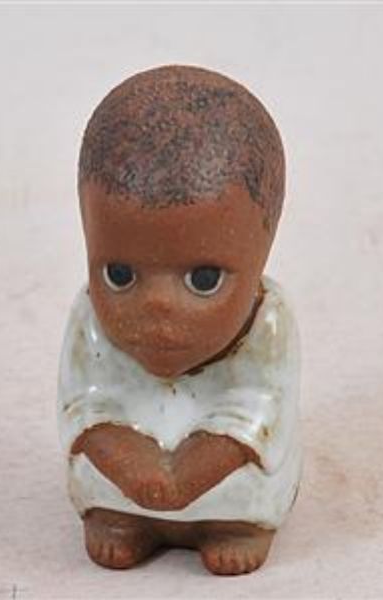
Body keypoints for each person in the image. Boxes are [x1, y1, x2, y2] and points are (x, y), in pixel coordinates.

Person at [57, 65, 301, 576]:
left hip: (220, 474)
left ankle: (236, 525)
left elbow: (260, 407)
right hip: (125, 481)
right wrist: (129, 463)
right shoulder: (89, 318)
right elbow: (84, 403)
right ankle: (120, 519)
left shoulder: (268, 321)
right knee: (100, 486)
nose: (158, 307)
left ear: (260, 256)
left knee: (248, 487)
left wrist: (191, 472)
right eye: (120, 274)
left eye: (204, 279)